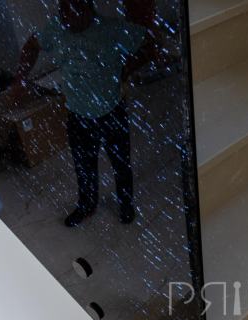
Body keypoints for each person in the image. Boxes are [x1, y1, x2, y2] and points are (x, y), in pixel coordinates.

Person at [12, 0, 154, 226]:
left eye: (73, 13)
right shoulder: (56, 28)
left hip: (111, 110)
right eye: (63, 12)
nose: (66, 19)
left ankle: (126, 203)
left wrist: (127, 69)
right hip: (78, 114)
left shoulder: (112, 29)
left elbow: (150, 43)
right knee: (83, 165)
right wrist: (20, 79)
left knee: (120, 162)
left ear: (88, 9)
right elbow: (31, 46)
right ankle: (87, 205)